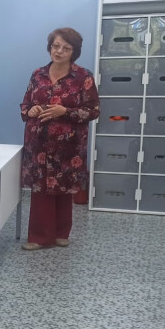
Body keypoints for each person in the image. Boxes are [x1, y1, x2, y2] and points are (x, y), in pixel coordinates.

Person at [19, 27, 100, 250]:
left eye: (66, 48)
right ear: (50, 47)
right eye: (56, 46)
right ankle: (39, 237)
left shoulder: (83, 77)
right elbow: (25, 104)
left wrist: (64, 112)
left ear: (74, 52)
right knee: (41, 190)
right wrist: (31, 110)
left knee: (64, 188)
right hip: (38, 143)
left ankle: (61, 233)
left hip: (69, 145)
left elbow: (93, 111)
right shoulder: (38, 74)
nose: (59, 51)